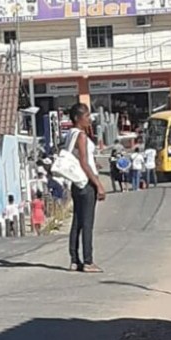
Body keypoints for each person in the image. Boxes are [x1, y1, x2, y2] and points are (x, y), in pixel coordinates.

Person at [66, 103, 105, 273]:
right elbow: (83, 162)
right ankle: (88, 261)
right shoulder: (81, 135)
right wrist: (98, 184)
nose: (89, 119)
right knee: (87, 223)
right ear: (77, 118)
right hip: (86, 183)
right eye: (87, 116)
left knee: (77, 222)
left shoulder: (70, 135)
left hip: (76, 183)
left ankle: (74, 260)